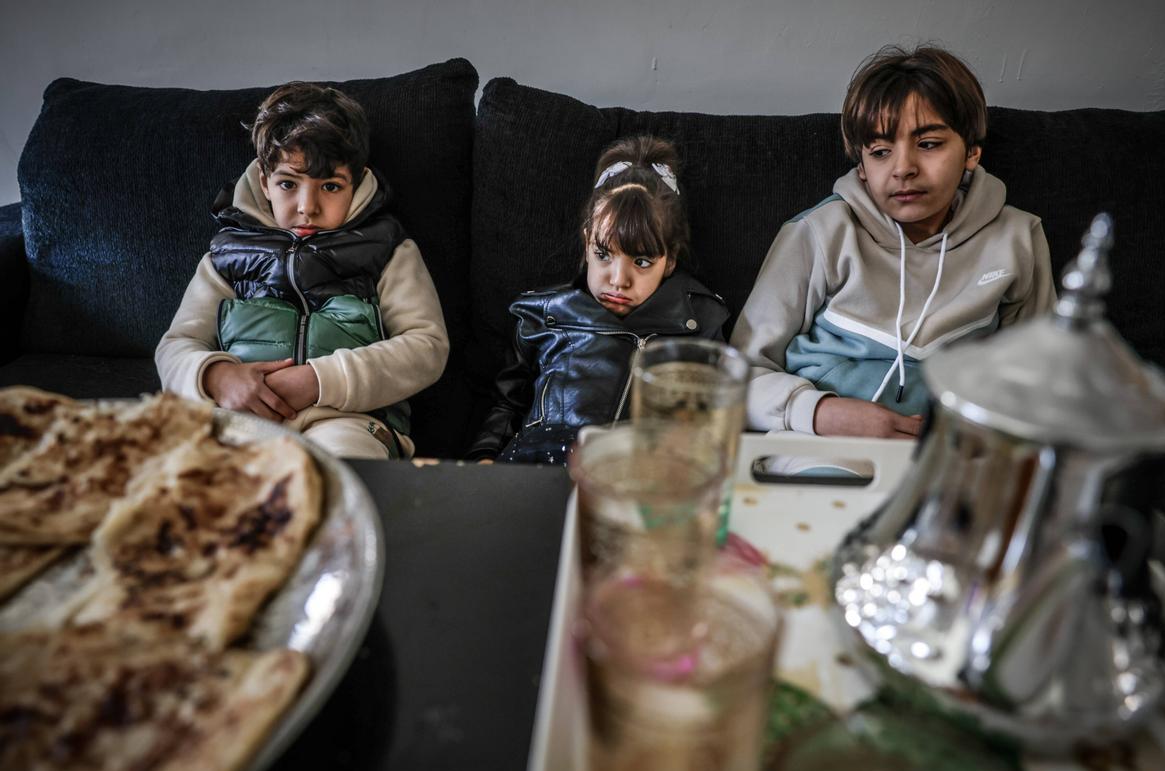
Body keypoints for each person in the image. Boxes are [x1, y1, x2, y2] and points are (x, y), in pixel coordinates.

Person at [731, 44, 1056, 439]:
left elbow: (1043, 380)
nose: (903, 169)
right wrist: (823, 413)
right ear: (863, 167)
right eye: (881, 152)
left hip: (952, 453)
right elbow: (737, 377)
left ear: (971, 151)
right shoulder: (818, 233)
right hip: (821, 442)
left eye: (929, 144)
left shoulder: (1019, 238)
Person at [156, 82, 449, 459]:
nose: (307, 207)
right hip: (242, 418)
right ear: (264, 182)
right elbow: (175, 345)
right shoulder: (227, 255)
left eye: (329, 186)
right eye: (288, 184)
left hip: (348, 420)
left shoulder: (389, 249)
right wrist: (216, 376)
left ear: (357, 182)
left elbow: (427, 347)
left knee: (343, 475)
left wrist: (319, 381)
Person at [466, 135, 728, 464]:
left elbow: (713, 418)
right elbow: (508, 405)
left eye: (642, 262)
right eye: (603, 254)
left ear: (670, 260)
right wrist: (485, 455)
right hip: (541, 463)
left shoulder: (699, 317)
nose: (618, 280)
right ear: (587, 241)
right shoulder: (541, 313)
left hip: (641, 470)